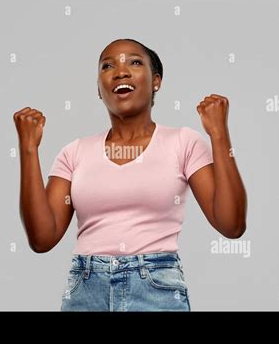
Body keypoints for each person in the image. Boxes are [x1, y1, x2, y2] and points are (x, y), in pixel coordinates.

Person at [13, 38, 247, 311]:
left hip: (156, 289)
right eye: (107, 66)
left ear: (156, 80)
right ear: (99, 90)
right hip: (86, 292)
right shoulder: (74, 152)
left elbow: (232, 225)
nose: (120, 71)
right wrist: (28, 149)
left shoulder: (183, 142)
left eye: (135, 62)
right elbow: (42, 238)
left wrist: (219, 133)